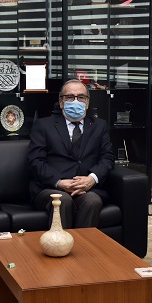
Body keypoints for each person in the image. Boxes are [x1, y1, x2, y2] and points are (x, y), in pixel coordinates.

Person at [27, 79, 115, 229]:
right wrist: (60, 182)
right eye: (70, 97)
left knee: (93, 201)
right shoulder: (43, 125)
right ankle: (61, 243)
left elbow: (107, 158)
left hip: (87, 188)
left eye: (81, 97)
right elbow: (35, 161)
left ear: (87, 103)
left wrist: (91, 179)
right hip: (51, 188)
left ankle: (82, 244)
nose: (76, 101)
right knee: (62, 200)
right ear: (61, 102)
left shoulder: (99, 125)